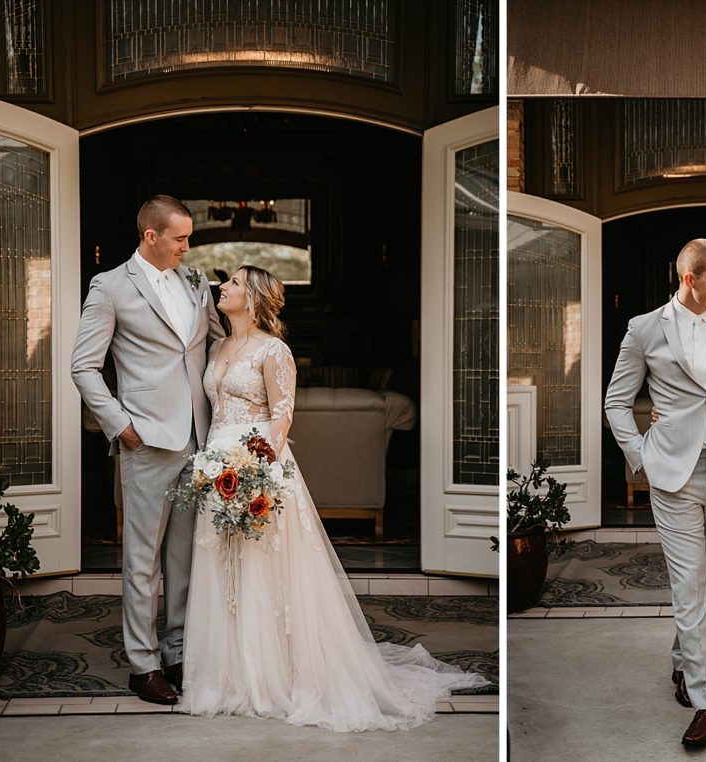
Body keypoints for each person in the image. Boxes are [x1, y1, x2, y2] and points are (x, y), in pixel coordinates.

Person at [179, 265, 486, 730]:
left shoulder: (273, 349)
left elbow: (282, 417)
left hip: (258, 469)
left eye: (235, 282)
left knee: (263, 574)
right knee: (224, 574)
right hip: (216, 471)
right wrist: (215, 468)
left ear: (256, 296)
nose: (224, 287)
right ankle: (226, 676)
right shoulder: (218, 346)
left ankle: (271, 676)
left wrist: (253, 473)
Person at [604, 239, 706, 748]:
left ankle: (682, 661)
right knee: (688, 586)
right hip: (671, 473)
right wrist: (641, 454)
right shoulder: (643, 328)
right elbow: (615, 402)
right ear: (689, 279)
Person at [71, 195, 225, 704]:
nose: (189, 246)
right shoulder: (110, 286)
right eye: (180, 238)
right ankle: (143, 665)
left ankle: (177, 651)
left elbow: (217, 344)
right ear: (151, 236)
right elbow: (84, 367)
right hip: (145, 441)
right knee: (142, 561)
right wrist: (119, 424)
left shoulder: (196, 282)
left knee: (183, 556)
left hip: (197, 441)